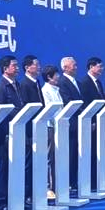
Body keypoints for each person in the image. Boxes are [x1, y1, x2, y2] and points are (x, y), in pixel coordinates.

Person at [0, 55, 23, 210]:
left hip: (18, 131)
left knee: (16, 167)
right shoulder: (0, 86)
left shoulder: (17, 84)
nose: (17, 68)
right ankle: (2, 202)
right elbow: (3, 110)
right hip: (5, 133)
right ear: (5, 69)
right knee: (4, 168)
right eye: (14, 66)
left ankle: (16, 198)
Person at [17, 55, 43, 202]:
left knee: (37, 162)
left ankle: (35, 192)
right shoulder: (24, 84)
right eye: (36, 65)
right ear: (27, 68)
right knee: (28, 163)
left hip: (39, 127)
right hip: (28, 130)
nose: (39, 67)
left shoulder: (36, 82)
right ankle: (27, 195)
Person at [78, 57, 105, 189]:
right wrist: (91, 121)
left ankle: (98, 179)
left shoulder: (98, 82)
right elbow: (86, 104)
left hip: (100, 121)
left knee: (98, 151)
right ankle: (90, 181)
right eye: (99, 66)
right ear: (91, 67)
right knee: (91, 152)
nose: (101, 69)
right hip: (90, 123)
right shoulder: (84, 83)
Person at [58, 56, 83, 194]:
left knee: (78, 154)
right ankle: (69, 182)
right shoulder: (62, 82)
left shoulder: (77, 82)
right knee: (71, 154)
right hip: (71, 123)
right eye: (73, 65)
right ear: (65, 67)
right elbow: (68, 102)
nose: (76, 67)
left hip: (81, 122)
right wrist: (82, 111)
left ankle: (75, 181)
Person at [41, 65, 62, 198]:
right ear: (49, 77)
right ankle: (48, 187)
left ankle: (57, 185)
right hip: (50, 127)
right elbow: (49, 111)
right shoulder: (45, 91)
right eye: (56, 75)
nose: (58, 77)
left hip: (60, 127)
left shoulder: (56, 90)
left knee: (57, 157)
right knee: (49, 157)